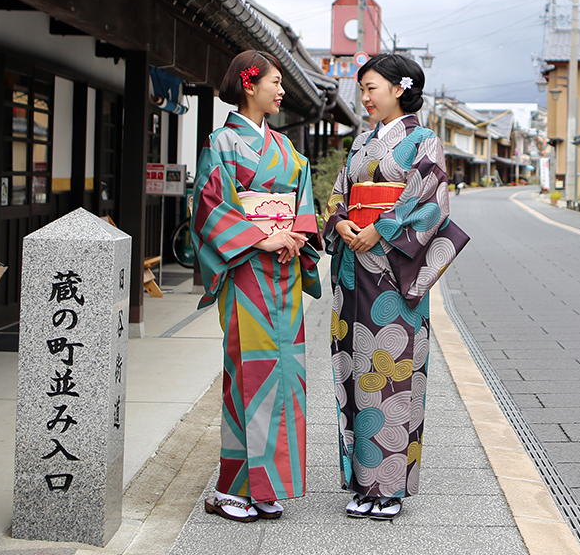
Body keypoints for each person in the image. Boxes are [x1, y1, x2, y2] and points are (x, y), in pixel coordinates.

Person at [322, 53, 469, 521]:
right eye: (361, 89)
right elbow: (338, 194)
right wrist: (342, 221)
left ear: (400, 89)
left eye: (371, 88)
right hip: (352, 271)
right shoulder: (362, 143)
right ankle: (363, 483)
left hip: (391, 276)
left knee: (391, 370)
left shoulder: (424, 142)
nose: (364, 98)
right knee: (353, 368)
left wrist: (380, 231)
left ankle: (389, 487)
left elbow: (429, 206)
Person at [191, 51, 321, 523]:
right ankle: (233, 489)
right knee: (248, 374)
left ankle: (270, 487)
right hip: (246, 270)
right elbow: (208, 206)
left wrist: (296, 237)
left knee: (285, 374)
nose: (282, 90)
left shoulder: (286, 149)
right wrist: (264, 237)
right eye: (276, 81)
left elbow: (302, 198)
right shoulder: (221, 144)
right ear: (250, 85)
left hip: (284, 272)